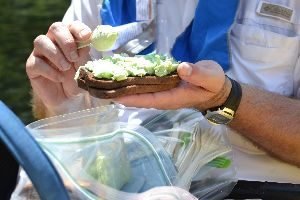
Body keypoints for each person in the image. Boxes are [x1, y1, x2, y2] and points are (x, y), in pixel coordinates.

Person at [25, 0, 300, 193]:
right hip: (119, 189)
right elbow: (72, 140)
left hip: (255, 190)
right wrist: (62, 102)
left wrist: (226, 99)